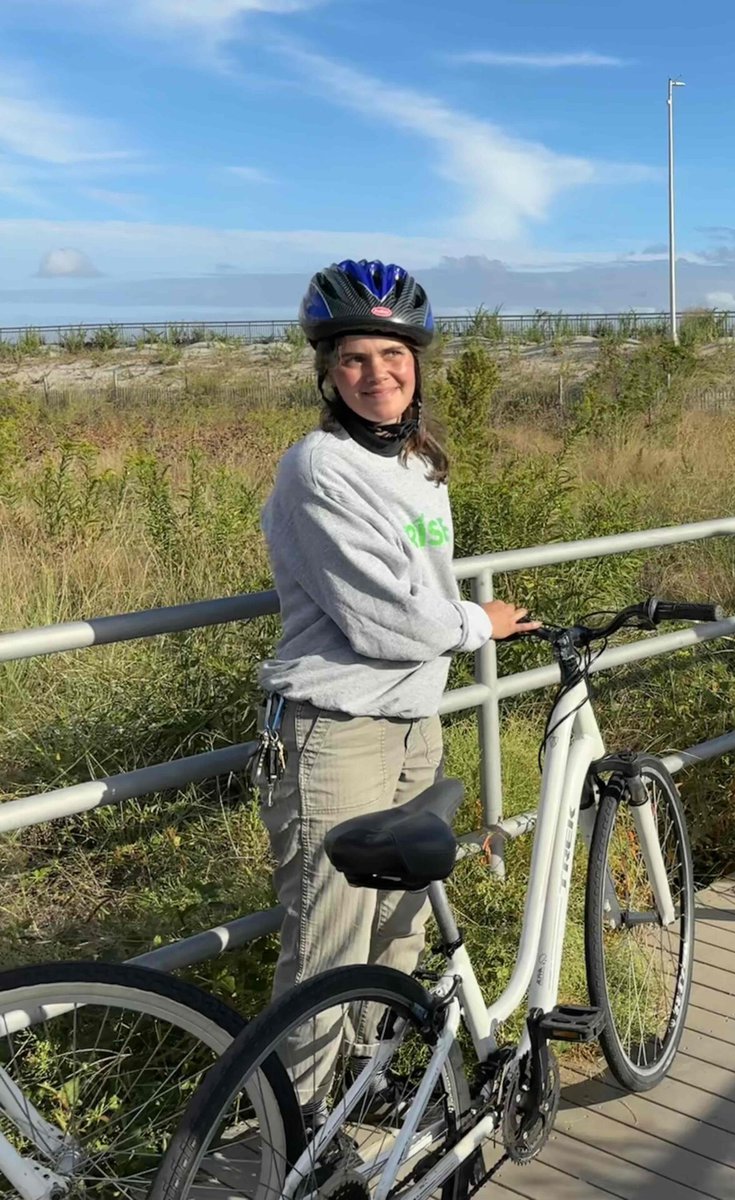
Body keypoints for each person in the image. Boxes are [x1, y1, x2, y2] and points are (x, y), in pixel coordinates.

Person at [252, 258, 537, 1111]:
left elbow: (422, 587)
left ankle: (368, 1091)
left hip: (415, 718)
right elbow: (387, 618)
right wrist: (476, 625)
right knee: (327, 949)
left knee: (403, 926)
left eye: (392, 356)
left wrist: (450, 624)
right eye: (354, 360)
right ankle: (292, 1135)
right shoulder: (319, 468)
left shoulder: (418, 465)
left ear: (417, 362)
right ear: (327, 373)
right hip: (336, 728)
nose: (377, 374)